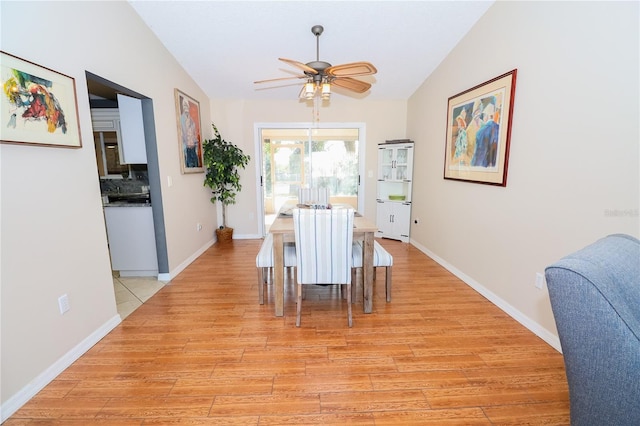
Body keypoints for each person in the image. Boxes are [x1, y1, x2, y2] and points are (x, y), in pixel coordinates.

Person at [180, 98, 200, 168]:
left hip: (193, 149)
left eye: (187, 105)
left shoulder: (192, 120)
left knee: (195, 164)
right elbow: (182, 137)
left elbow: (195, 135)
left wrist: (196, 148)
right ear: (182, 107)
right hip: (187, 150)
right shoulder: (181, 120)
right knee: (190, 165)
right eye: (184, 105)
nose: (186, 107)